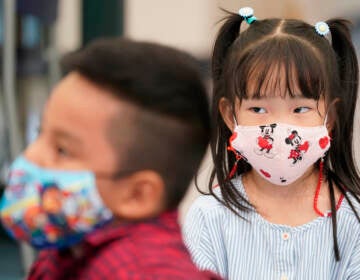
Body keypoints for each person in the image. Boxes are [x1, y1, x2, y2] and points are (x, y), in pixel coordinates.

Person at [0, 38, 221, 280]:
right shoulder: (72, 244)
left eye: (62, 150)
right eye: (41, 133)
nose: (32, 155)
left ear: (138, 194)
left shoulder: (143, 273)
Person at [183, 7, 360, 280]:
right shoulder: (210, 217)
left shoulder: (353, 219)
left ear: (331, 117)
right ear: (230, 115)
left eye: (300, 109)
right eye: (258, 109)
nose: (279, 127)